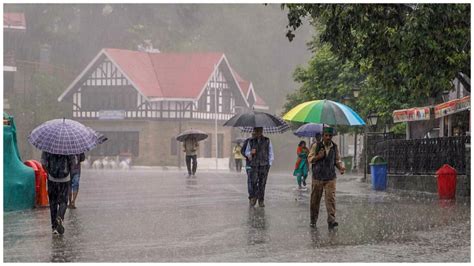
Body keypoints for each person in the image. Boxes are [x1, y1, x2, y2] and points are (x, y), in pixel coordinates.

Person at [308, 126, 345, 230]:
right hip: (318, 177)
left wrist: (340, 168)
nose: (328, 137)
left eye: (330, 136)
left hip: (330, 177)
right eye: (326, 135)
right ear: (323, 136)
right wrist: (318, 157)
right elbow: (310, 159)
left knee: (331, 199)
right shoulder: (316, 146)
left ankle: (331, 221)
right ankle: (313, 220)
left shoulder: (335, 147)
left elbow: (337, 160)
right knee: (315, 200)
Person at [41, 151, 72, 235]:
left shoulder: (47, 148)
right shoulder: (68, 148)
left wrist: (49, 173)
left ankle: (54, 227)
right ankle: (60, 216)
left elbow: (43, 163)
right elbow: (72, 164)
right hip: (65, 179)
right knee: (64, 201)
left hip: (52, 179)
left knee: (53, 203)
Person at [245, 127, 274, 207]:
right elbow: (246, 152)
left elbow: (270, 152)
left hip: (264, 165)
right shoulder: (250, 141)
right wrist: (250, 153)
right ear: (254, 131)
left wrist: (269, 163)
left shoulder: (267, 140)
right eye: (256, 131)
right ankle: (253, 197)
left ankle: (261, 200)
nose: (257, 132)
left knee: (262, 183)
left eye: (259, 131)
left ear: (261, 131)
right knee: (253, 182)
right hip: (254, 164)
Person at [241, 132, 256, 203]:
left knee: (256, 181)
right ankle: (251, 196)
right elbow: (242, 151)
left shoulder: (262, 141)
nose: (254, 134)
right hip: (249, 164)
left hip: (257, 164)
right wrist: (248, 155)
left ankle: (255, 195)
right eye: (253, 133)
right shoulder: (248, 141)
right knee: (250, 180)